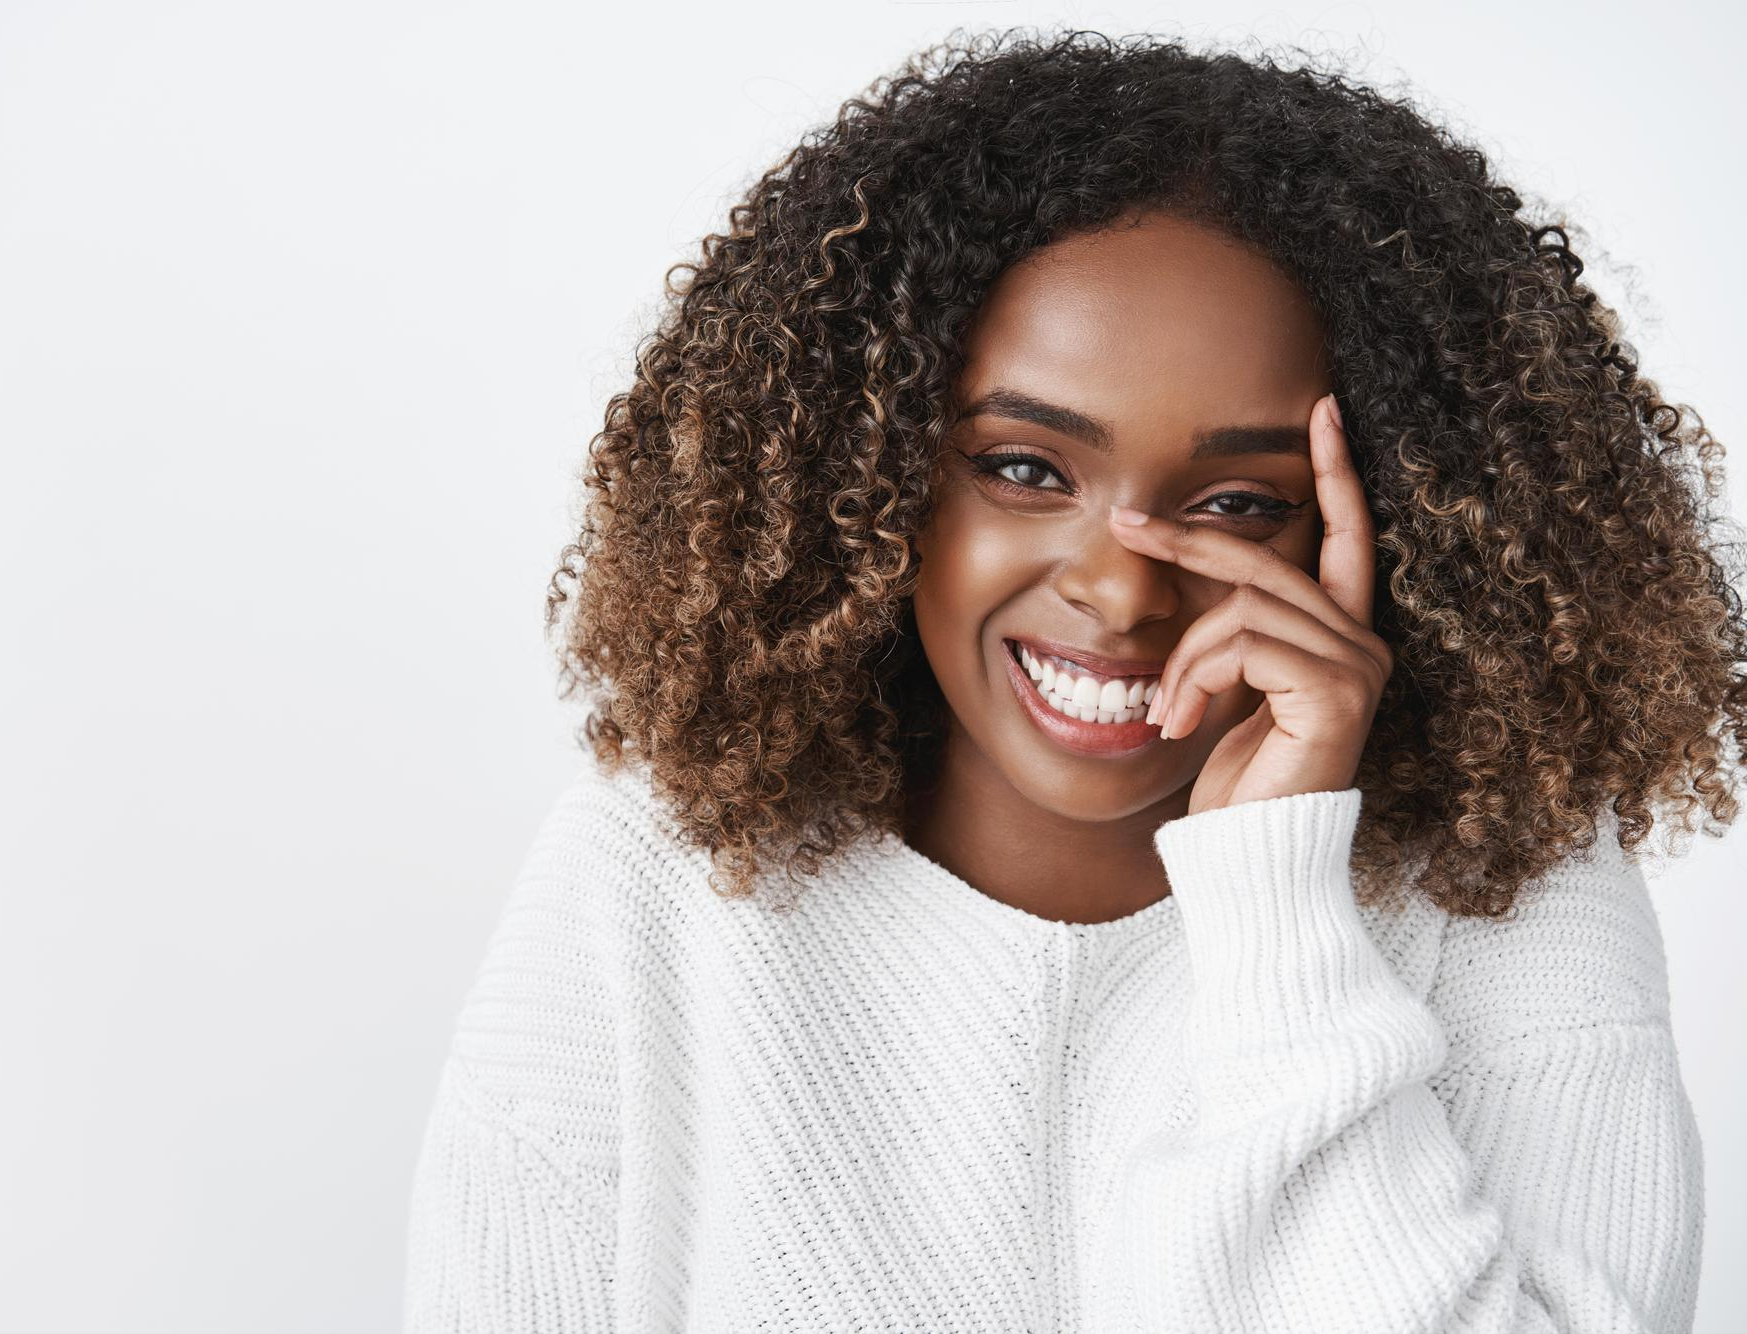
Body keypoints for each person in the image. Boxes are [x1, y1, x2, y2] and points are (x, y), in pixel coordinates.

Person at [405, 28, 1732, 1332]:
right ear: (869, 474)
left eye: (1238, 502)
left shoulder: (1506, 889)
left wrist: (1277, 905)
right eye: (1027, 468)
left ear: (1384, 527)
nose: (1121, 588)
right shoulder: (658, 881)